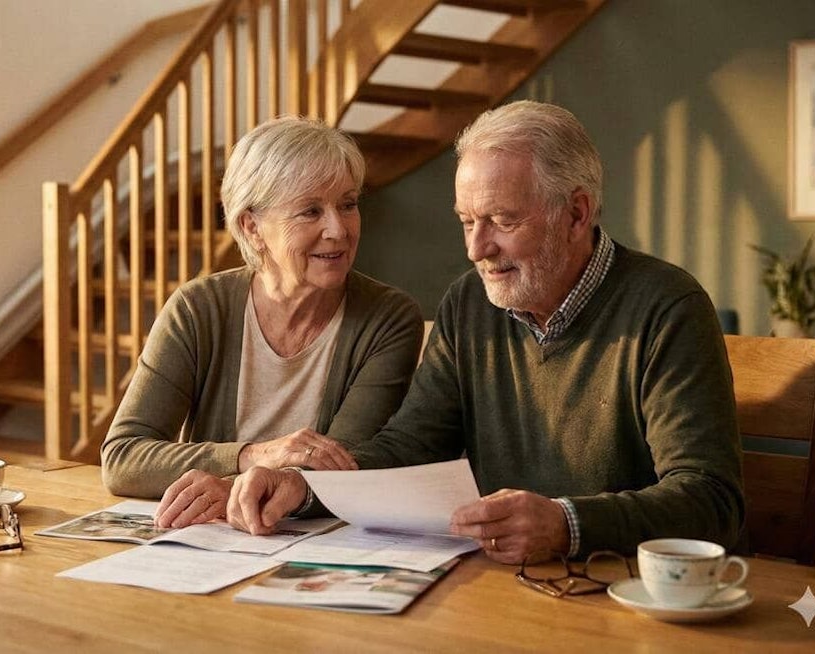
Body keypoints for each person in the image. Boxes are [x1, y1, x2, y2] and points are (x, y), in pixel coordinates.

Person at [225, 100, 745, 564]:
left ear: (576, 213)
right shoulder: (469, 303)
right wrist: (304, 487)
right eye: (466, 221)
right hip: (499, 585)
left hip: (620, 593)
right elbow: (408, 446)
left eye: (501, 220)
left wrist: (567, 525)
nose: (477, 249)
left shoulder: (667, 307)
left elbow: (709, 498)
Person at [101, 116, 424, 528]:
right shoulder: (197, 309)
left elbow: (344, 465)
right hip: (212, 543)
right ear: (252, 227)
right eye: (310, 211)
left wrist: (231, 485)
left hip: (317, 544)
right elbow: (123, 457)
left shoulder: (388, 317)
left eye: (348, 204)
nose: (338, 230)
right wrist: (254, 455)